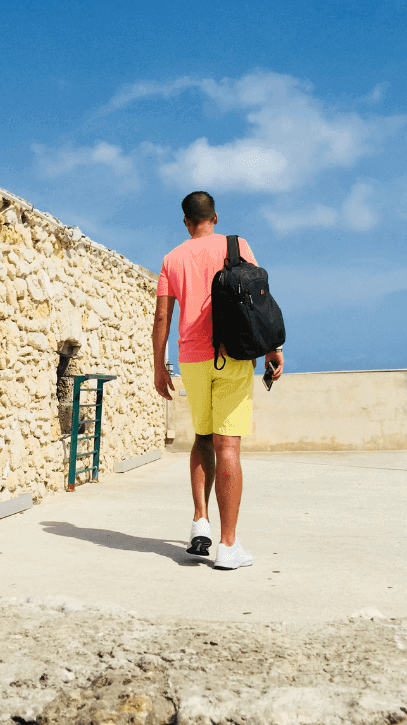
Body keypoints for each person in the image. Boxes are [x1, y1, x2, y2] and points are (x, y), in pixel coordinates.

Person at [151, 191, 282, 570]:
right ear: (215, 217)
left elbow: (162, 318)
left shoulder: (171, 258)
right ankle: (228, 545)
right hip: (231, 354)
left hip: (191, 359)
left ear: (186, 221)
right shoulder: (236, 245)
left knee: (202, 439)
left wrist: (159, 366)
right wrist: (273, 347)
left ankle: (199, 522)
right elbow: (260, 299)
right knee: (228, 447)